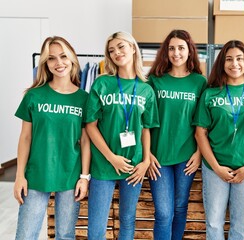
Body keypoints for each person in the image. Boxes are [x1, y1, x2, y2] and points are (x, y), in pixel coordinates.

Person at [194, 40, 244, 240]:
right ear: (222, 63)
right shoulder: (210, 94)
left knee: (241, 225)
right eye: (229, 59)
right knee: (213, 223)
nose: (234, 63)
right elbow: (200, 133)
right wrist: (216, 167)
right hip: (215, 168)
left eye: (239, 58)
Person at [13, 36, 91, 240]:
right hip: (36, 175)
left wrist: (84, 177)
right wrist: (19, 175)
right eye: (51, 58)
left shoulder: (84, 99)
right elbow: (25, 138)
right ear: (45, 63)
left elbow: (85, 141)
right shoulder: (34, 95)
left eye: (63, 56)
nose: (59, 63)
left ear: (72, 58)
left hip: (70, 176)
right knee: (25, 235)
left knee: (65, 235)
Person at [85, 31, 159, 240]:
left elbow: (146, 128)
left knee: (128, 220)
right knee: (97, 226)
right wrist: (111, 157)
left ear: (133, 47)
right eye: (111, 50)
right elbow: (91, 126)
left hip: (133, 166)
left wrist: (145, 161)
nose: (116, 52)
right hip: (104, 163)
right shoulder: (102, 84)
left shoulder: (146, 90)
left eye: (121, 47)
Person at [146, 29, 207, 240]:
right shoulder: (154, 80)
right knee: (164, 213)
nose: (176, 53)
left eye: (181, 48)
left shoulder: (200, 82)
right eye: (171, 48)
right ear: (165, 52)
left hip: (187, 156)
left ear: (189, 51)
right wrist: (147, 155)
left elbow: (203, 123)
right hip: (158, 157)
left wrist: (199, 153)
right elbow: (143, 120)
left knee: (180, 208)